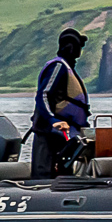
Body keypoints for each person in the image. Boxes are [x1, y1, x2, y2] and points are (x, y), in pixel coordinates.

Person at [31, 28, 91, 178]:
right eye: (78, 47)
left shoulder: (67, 66)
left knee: (64, 170)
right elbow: (43, 95)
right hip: (50, 132)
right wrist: (53, 120)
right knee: (45, 172)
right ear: (71, 47)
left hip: (65, 133)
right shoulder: (58, 67)